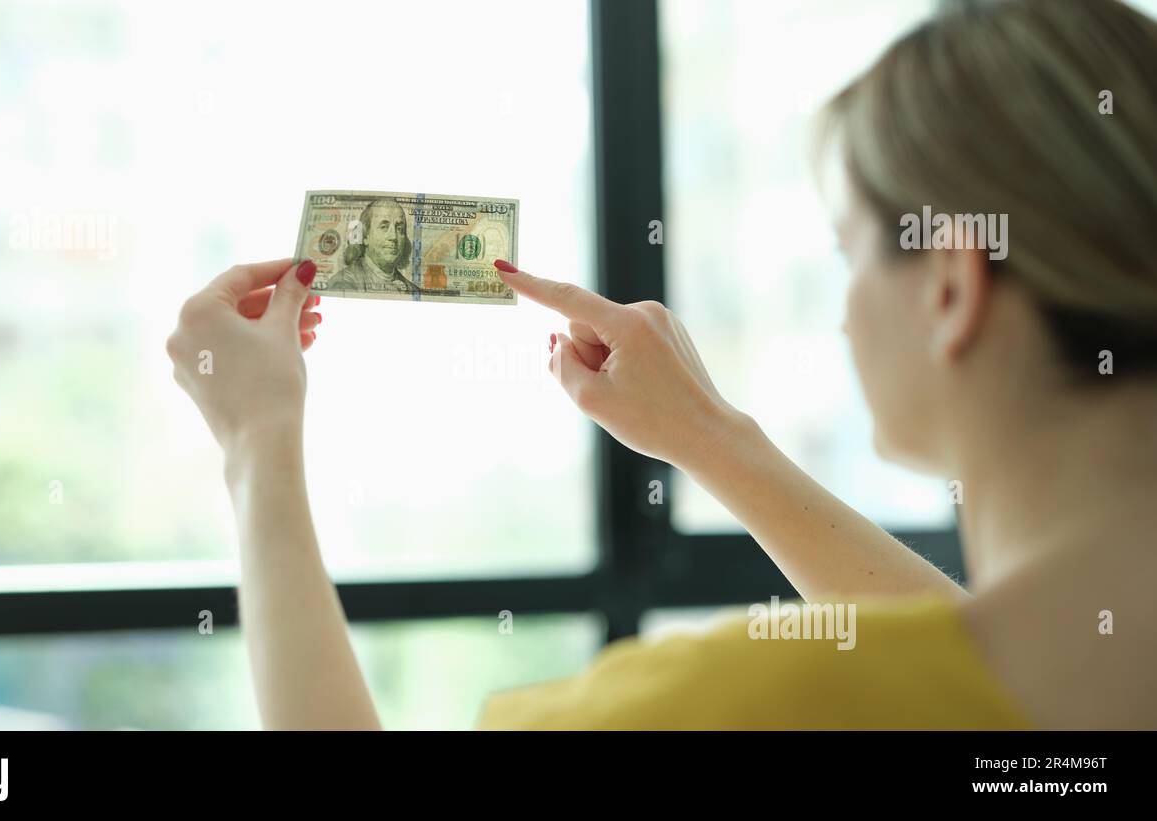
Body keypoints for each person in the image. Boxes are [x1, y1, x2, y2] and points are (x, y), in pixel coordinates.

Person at [165, 0, 1157, 729]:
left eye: (847, 252)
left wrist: (259, 444)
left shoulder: (745, 705)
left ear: (949, 286)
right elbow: (992, 685)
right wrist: (714, 439)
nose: (845, 310)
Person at [325, 197, 420, 294]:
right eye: (384, 227)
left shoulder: (413, 291)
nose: (393, 237)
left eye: (399, 229)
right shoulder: (344, 284)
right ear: (365, 236)